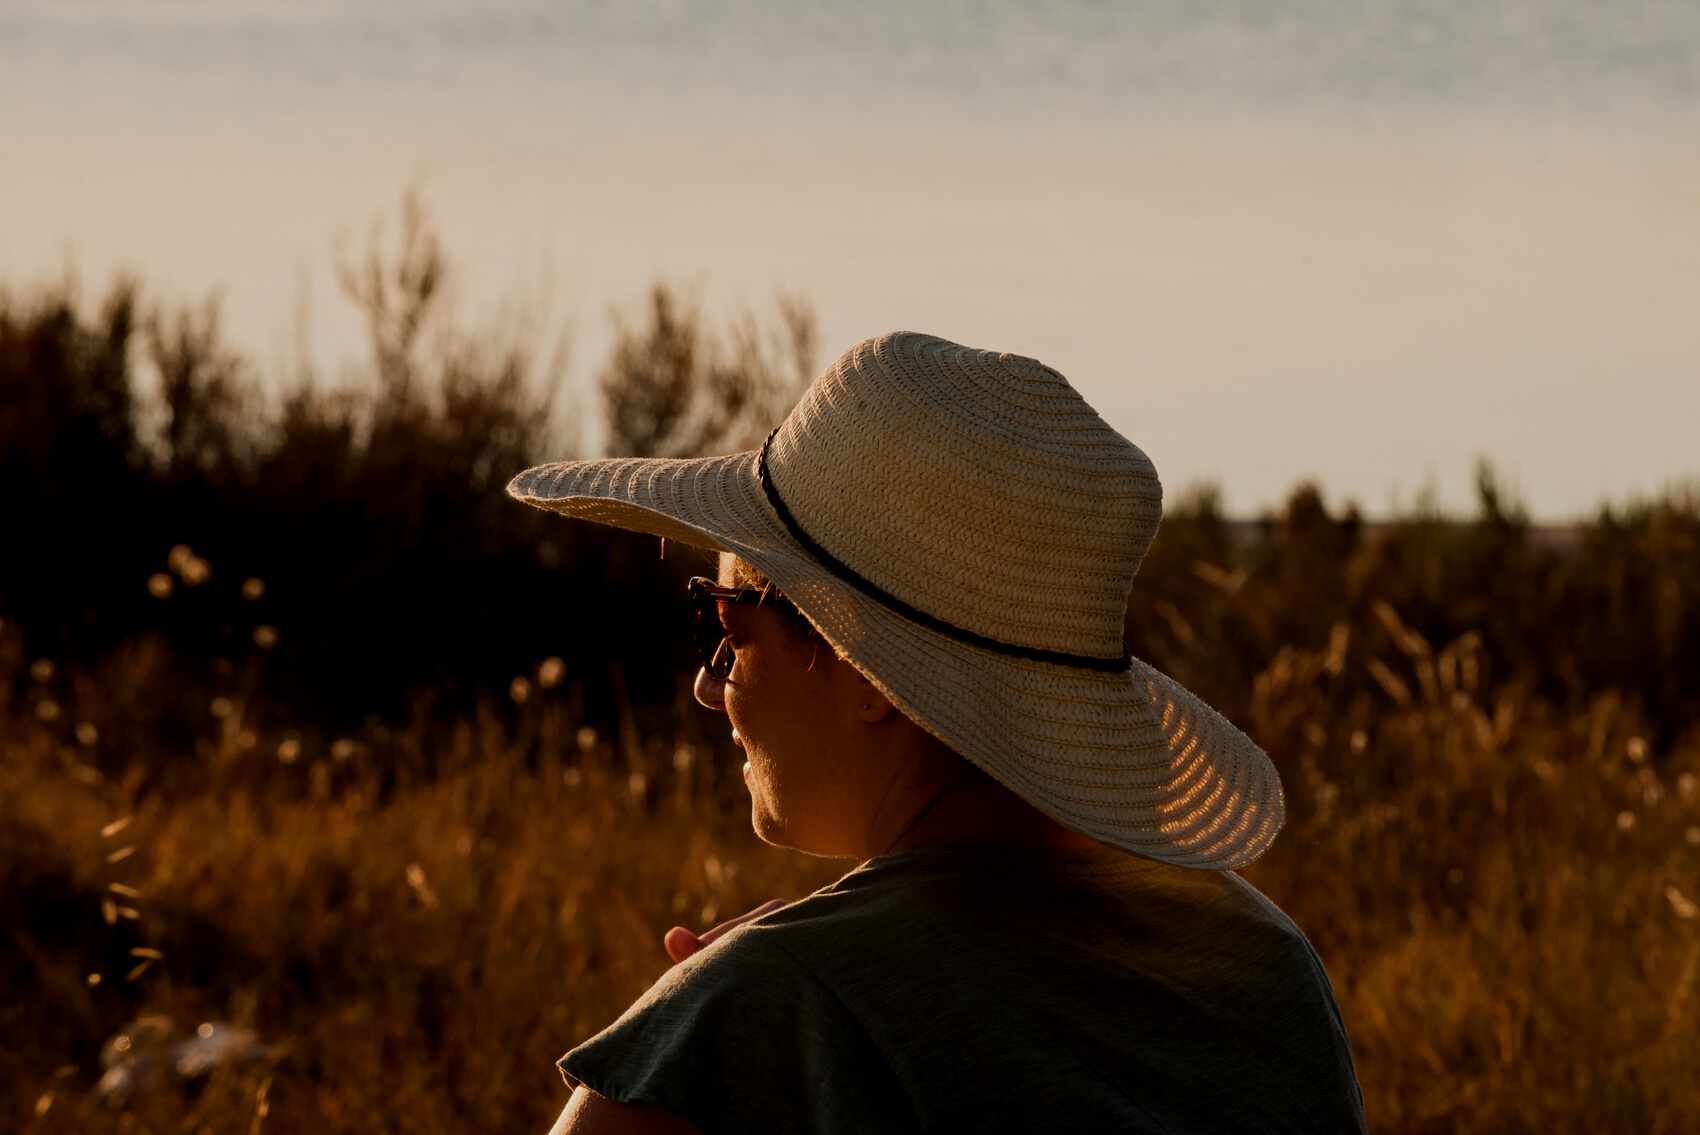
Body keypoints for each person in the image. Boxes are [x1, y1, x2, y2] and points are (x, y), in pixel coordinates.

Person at [509, 332, 1366, 1134]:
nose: (709, 685)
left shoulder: (732, 1037)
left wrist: (728, 1013)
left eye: (726, 623)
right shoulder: (1265, 970)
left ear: (864, 671)